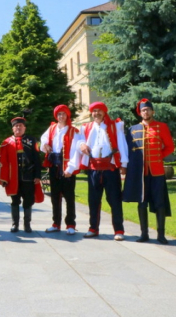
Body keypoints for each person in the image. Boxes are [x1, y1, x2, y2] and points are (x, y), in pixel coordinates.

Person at [65, 102, 128, 241]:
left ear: (104, 112)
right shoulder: (86, 127)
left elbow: (122, 144)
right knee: (93, 200)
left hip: (110, 169)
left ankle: (118, 229)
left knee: (114, 200)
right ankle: (93, 228)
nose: (96, 113)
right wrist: (81, 145)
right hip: (93, 170)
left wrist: (124, 164)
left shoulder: (115, 126)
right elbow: (78, 141)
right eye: (94, 111)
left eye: (99, 111)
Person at [123, 99, 174, 244]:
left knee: (160, 203)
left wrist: (158, 156)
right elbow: (128, 151)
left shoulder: (161, 127)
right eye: (143, 110)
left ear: (152, 111)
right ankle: (144, 234)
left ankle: (161, 235)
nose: (146, 112)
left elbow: (170, 147)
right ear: (140, 113)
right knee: (142, 203)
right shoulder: (133, 130)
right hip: (141, 173)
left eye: (148, 110)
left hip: (157, 172)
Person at [0, 117, 41, 233]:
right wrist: (4, 178)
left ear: (24, 128)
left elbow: (36, 159)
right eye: (16, 126)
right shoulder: (7, 142)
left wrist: (37, 175)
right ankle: (15, 224)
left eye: (21, 126)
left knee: (28, 201)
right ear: (13, 128)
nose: (18, 128)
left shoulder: (31, 140)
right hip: (13, 177)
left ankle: (27, 225)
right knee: (15, 201)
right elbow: (2, 162)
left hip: (28, 176)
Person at [40, 105, 79, 235]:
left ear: (67, 115)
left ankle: (71, 224)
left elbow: (76, 151)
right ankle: (56, 223)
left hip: (67, 166)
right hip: (54, 166)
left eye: (63, 114)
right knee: (55, 197)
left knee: (69, 196)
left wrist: (71, 168)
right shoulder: (52, 128)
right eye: (59, 114)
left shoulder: (73, 131)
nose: (61, 116)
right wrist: (45, 144)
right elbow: (43, 139)